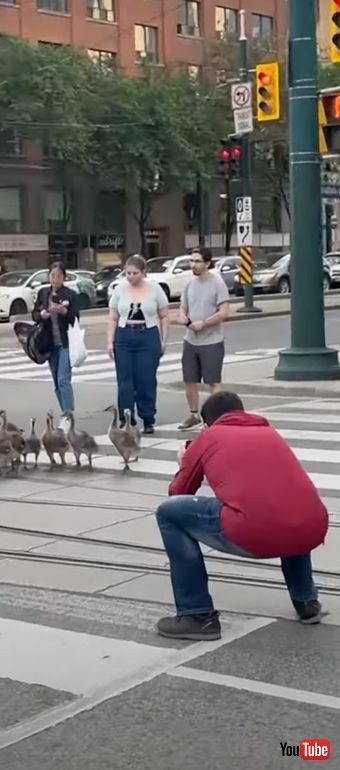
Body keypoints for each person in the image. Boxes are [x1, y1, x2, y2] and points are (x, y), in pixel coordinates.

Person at [155, 391, 328, 642]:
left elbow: (178, 493)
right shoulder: (269, 433)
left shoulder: (208, 437)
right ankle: (306, 601)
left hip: (252, 532)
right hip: (312, 527)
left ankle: (197, 615)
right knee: (289, 507)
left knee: (168, 513)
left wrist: (185, 461)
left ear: (207, 423)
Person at [107, 254, 169, 434]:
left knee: (146, 379)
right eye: (128, 273)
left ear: (143, 272)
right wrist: (110, 342)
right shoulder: (119, 290)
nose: (131, 277)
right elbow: (113, 317)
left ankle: (148, 417)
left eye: (135, 273)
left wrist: (163, 339)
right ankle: (126, 417)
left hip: (147, 335)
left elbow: (164, 316)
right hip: (124, 335)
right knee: (125, 380)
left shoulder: (155, 289)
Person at [177, 247, 230, 431]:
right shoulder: (190, 285)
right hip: (191, 339)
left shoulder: (217, 284)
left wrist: (204, 323)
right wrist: (183, 316)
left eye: (197, 261)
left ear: (207, 263)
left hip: (211, 340)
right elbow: (183, 307)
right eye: (191, 261)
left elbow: (224, 312)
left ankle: (216, 418)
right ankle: (194, 415)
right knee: (189, 379)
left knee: (213, 381)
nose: (193, 265)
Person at [32, 262, 79, 413]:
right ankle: (64, 411)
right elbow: (34, 314)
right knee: (56, 383)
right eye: (53, 275)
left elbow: (75, 318)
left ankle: (68, 414)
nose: (55, 279)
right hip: (49, 343)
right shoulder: (43, 293)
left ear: (64, 277)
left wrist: (63, 311)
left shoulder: (70, 294)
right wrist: (42, 314)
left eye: (59, 276)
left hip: (65, 342)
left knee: (63, 380)